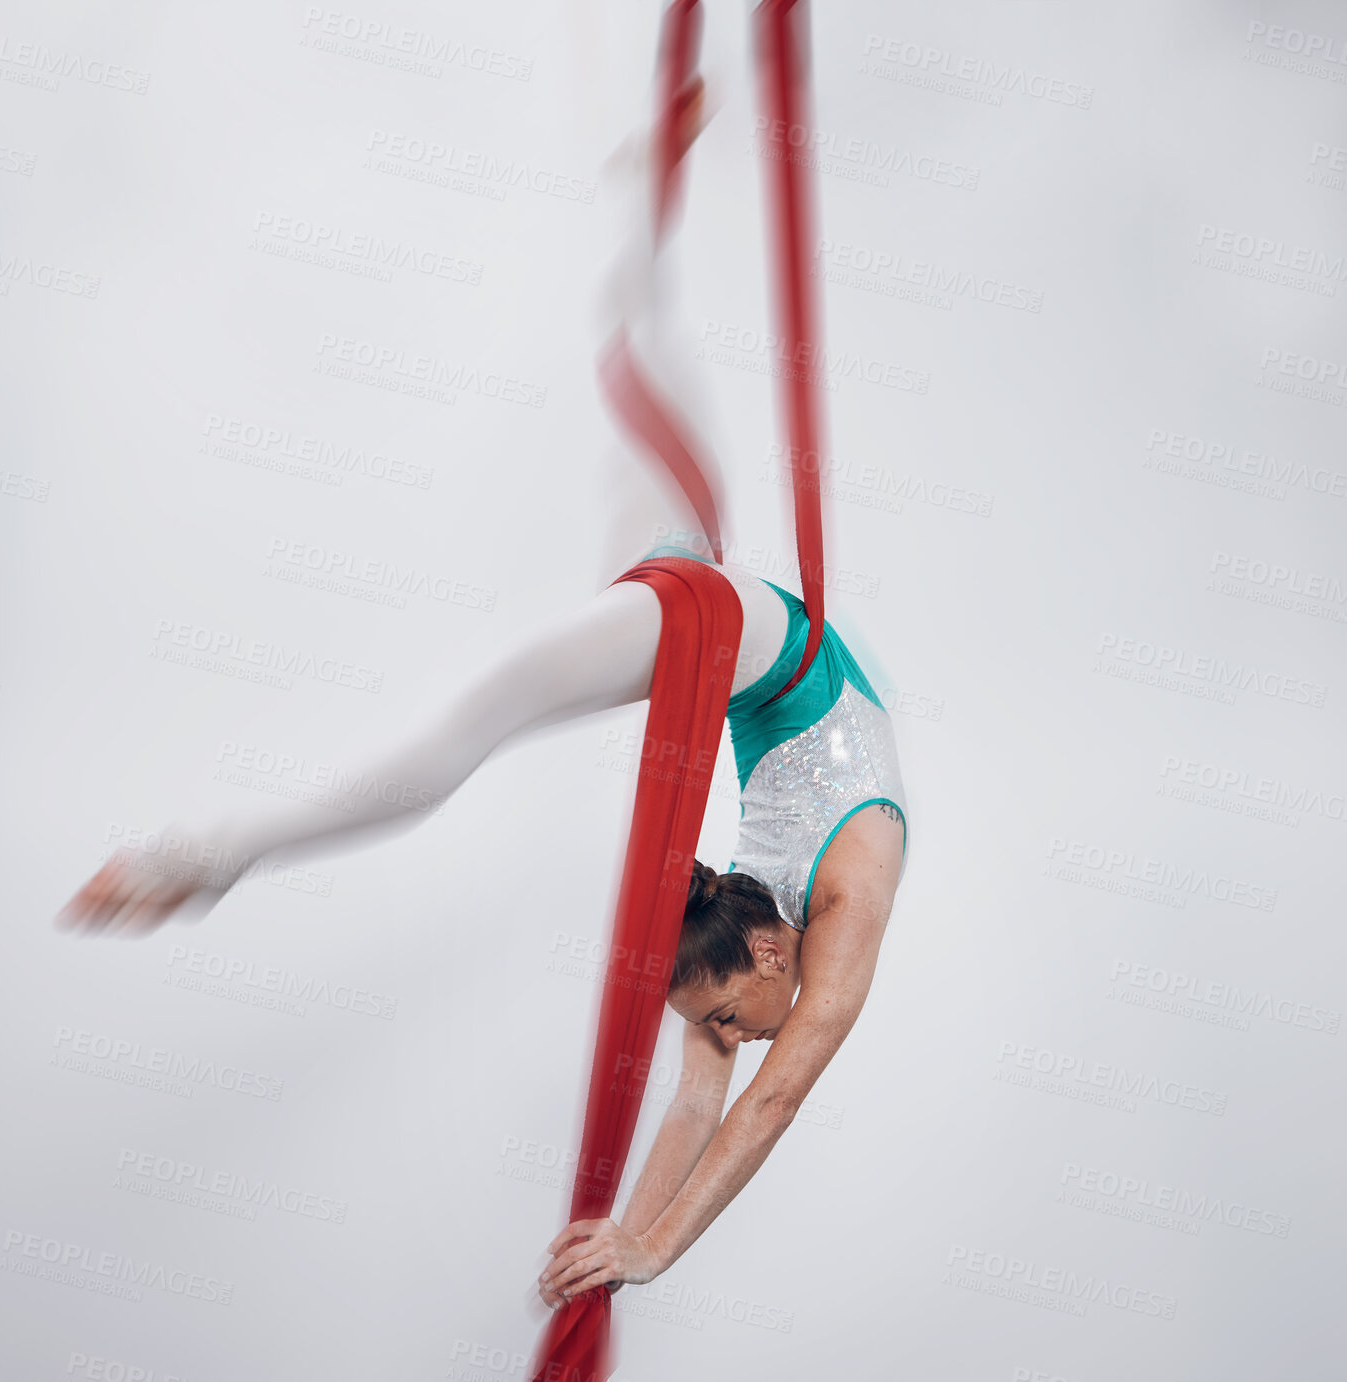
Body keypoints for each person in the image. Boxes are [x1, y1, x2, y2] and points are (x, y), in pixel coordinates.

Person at [54, 77, 910, 1312]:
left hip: (698, 610)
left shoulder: (738, 936)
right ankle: (211, 854)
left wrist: (617, 1245)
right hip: (727, 629)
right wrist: (659, 1246)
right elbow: (772, 1095)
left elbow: (694, 1097)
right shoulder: (848, 905)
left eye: (719, 1018)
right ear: (775, 953)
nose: (733, 1034)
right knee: (464, 739)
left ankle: (643, 192)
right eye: (730, 1014)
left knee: (642, 384)